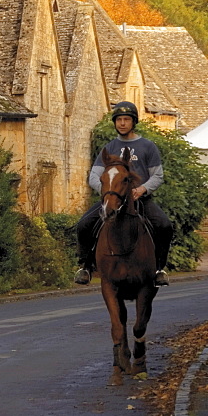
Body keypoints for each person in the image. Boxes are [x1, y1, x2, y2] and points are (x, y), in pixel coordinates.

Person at [74, 101, 174, 287]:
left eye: (126, 119)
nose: (122, 123)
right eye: (119, 119)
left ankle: (159, 269)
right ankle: (86, 267)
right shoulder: (109, 148)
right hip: (112, 200)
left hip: (140, 200)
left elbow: (157, 175)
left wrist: (141, 189)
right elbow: (94, 175)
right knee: (83, 224)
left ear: (133, 122)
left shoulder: (147, 146)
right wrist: (107, 193)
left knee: (164, 225)